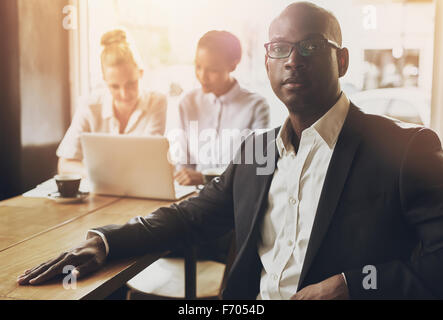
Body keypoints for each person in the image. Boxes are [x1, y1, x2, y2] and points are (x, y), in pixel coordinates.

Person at [18, 2, 443, 300]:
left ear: (343, 61)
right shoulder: (257, 153)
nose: (293, 60)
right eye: (279, 49)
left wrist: (353, 286)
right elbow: (191, 214)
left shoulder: (404, 150)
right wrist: (104, 242)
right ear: (267, 64)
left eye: (311, 46)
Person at [57, 29, 167, 177]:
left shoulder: (156, 102)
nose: (124, 94)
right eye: (114, 86)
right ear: (104, 80)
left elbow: (149, 159)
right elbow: (65, 164)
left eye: (131, 84)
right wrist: (98, 174)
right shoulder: (89, 105)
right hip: (100, 191)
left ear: (141, 73)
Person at [173, 30, 270, 186]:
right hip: (193, 196)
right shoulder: (187, 102)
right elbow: (182, 162)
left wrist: (205, 177)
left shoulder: (256, 106)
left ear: (233, 65)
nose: (202, 76)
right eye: (198, 66)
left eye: (212, 70)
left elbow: (257, 167)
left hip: (235, 197)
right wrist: (184, 176)